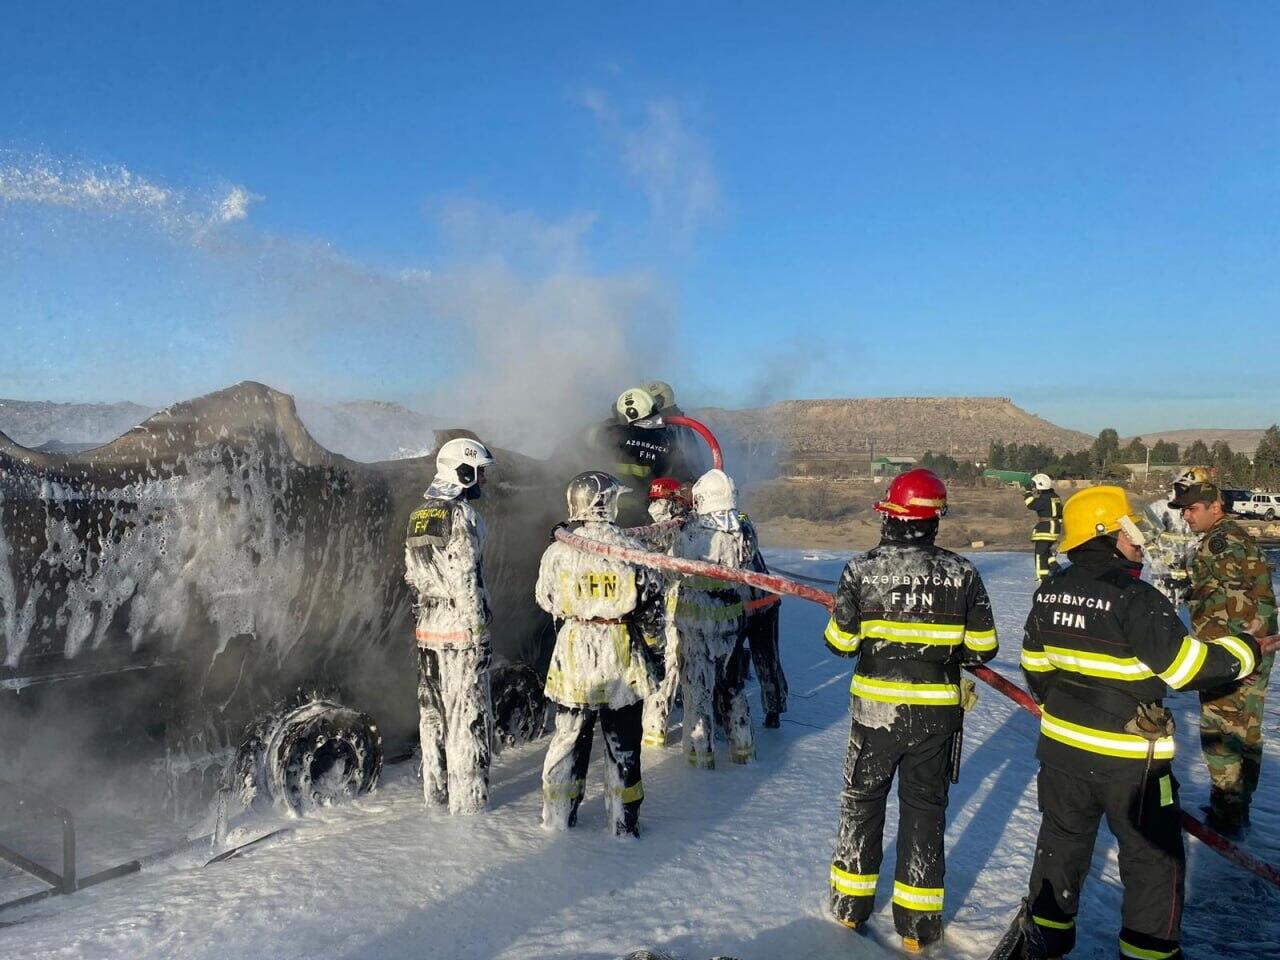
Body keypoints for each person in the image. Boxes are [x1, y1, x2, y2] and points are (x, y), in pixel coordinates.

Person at [1019, 484, 1271, 960]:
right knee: (1152, 858)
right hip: (1132, 762)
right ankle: (1148, 953)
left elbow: (1035, 667)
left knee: (1061, 843)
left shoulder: (1049, 591)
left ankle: (1046, 939)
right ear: (1108, 533)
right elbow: (1187, 669)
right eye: (1130, 530)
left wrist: (1076, 709)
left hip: (1061, 752)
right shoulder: (1139, 599)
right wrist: (1247, 650)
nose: (1138, 540)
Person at [823, 468, 997, 952]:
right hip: (936, 717)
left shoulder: (860, 570)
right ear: (934, 521)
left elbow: (839, 644)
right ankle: (918, 927)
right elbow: (984, 646)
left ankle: (848, 909)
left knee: (862, 804)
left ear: (890, 518)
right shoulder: (962, 573)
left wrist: (843, 617)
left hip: (875, 714)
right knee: (925, 811)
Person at [535, 471, 666, 836]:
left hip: (573, 656)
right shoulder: (633, 552)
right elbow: (653, 607)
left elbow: (545, 600)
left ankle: (557, 818)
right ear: (607, 504)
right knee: (622, 744)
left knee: (567, 739)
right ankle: (623, 824)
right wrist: (656, 654)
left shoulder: (558, 552)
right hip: (621, 654)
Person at [1169, 466, 1278, 835]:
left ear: (1215, 505)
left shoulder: (1221, 541)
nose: (1185, 515)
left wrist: (1231, 655)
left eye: (1191, 508)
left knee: (1222, 729)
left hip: (1233, 652)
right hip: (1247, 648)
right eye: (1183, 509)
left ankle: (1228, 814)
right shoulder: (1229, 536)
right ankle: (1235, 807)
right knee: (1245, 727)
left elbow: (1238, 599)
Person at [404, 436, 497, 814]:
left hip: (427, 627)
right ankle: (469, 803)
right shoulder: (461, 517)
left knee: (433, 714)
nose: (482, 482)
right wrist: (478, 632)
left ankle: (436, 794)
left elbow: (411, 575)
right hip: (460, 630)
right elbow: (465, 577)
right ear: (463, 473)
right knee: (467, 716)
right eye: (478, 473)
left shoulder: (418, 515)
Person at [671, 468, 754, 768]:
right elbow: (749, 554)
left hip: (694, 625)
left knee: (697, 689)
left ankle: (699, 756)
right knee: (734, 687)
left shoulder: (688, 532)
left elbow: (672, 568)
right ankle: (743, 750)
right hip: (731, 621)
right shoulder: (743, 532)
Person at [640, 477, 692, 748]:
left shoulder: (649, 529)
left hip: (658, 606)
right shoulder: (681, 528)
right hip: (677, 604)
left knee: (662, 662)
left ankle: (654, 728)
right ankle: (656, 728)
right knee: (671, 664)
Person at [739, 508, 788, 728]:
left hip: (759, 604)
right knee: (755, 657)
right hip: (745, 603)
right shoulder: (735, 520)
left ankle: (773, 709)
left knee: (766, 659)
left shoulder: (737, 522)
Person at [1143, 492, 1198, 608]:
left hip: (1189, 585)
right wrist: (1155, 559)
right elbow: (1145, 538)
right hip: (1161, 581)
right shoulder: (1160, 508)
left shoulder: (1199, 513)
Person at [1024, 472, 1063, 582]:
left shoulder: (1044, 499)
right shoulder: (1055, 497)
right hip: (1054, 527)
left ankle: (1043, 576)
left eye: (1034, 485)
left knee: (1040, 553)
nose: (1034, 487)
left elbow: (1031, 504)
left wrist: (1027, 492)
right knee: (1045, 550)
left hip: (1046, 528)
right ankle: (1055, 567)